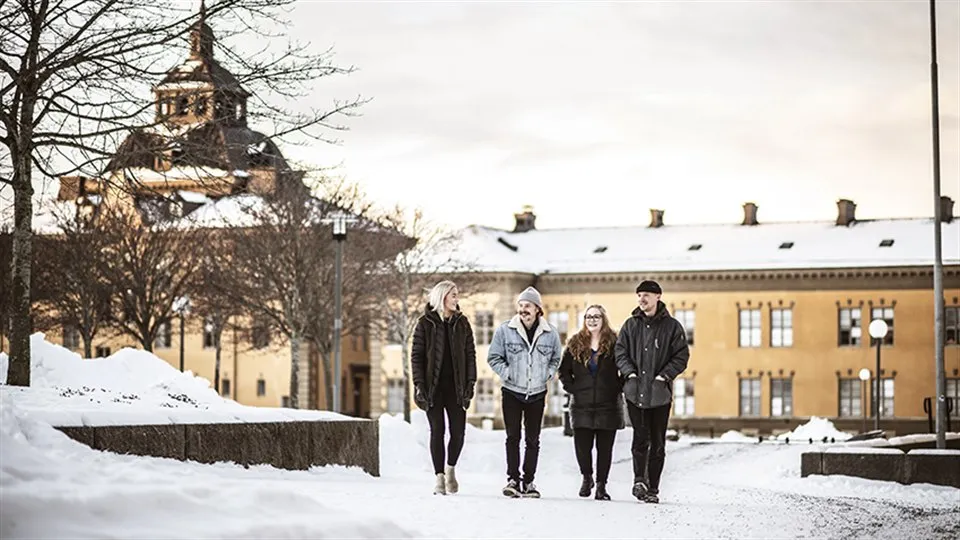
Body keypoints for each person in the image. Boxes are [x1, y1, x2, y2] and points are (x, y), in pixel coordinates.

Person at [614, 280, 690, 504]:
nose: (642, 299)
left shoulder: (672, 327)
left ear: (658, 297)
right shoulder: (630, 326)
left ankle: (653, 488)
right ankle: (639, 480)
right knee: (640, 438)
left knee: (657, 442)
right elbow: (620, 352)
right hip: (635, 392)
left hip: (659, 394)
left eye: (646, 295)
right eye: (639, 295)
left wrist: (663, 377)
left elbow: (681, 357)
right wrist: (629, 374)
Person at [487, 286, 562, 498]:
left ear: (538, 308)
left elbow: (556, 358)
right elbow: (494, 357)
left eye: (527, 306)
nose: (523, 310)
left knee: (532, 439)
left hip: (537, 393)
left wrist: (547, 374)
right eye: (520, 305)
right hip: (511, 391)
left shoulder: (551, 333)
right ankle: (513, 479)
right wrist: (507, 373)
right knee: (513, 437)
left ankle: (529, 482)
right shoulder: (505, 330)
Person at [411, 280, 477, 495]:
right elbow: (417, 357)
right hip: (433, 388)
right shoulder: (425, 323)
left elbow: (470, 355)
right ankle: (439, 478)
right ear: (442, 297)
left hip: (457, 388)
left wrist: (470, 383)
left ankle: (450, 469)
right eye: (453, 295)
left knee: (458, 433)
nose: (457, 298)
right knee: (437, 431)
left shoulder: (462, 323)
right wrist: (419, 385)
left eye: (457, 294)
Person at [558, 304, 624, 501]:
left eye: (596, 316)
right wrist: (573, 388)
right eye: (588, 317)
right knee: (582, 446)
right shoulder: (574, 343)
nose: (592, 320)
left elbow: (625, 367)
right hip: (582, 405)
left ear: (603, 319)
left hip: (608, 404)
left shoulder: (615, 343)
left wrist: (617, 387)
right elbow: (563, 371)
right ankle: (587, 478)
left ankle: (601, 486)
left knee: (605, 449)